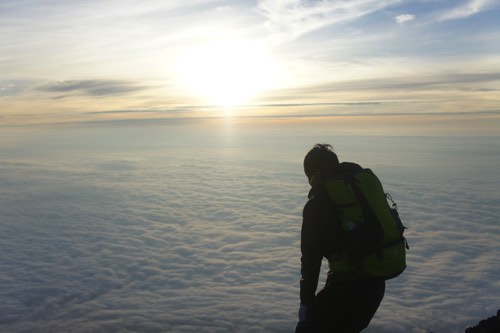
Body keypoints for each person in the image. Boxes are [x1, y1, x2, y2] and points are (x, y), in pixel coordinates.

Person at [296, 144, 386, 333]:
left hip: (348, 290)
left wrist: (305, 304)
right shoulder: (358, 189)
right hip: (376, 287)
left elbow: (311, 261)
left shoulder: (317, 206)